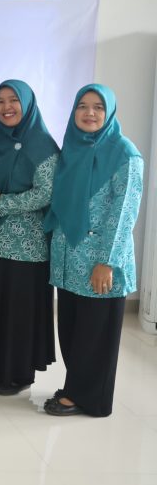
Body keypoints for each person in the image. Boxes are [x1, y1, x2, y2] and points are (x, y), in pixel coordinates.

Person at [44, 84, 142, 417]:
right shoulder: (72, 148)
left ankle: (89, 399)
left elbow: (124, 213)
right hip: (69, 259)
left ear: (109, 111)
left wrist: (107, 262)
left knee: (95, 334)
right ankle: (75, 388)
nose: (89, 113)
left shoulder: (125, 154)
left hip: (99, 262)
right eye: (82, 106)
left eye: (98, 107)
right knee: (73, 330)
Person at [0, 81, 57, 396]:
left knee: (18, 313)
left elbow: (46, 193)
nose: (6, 107)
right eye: (0, 101)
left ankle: (16, 375)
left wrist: (2, 204)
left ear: (27, 104)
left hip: (27, 247)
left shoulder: (42, 144)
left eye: (13, 100)